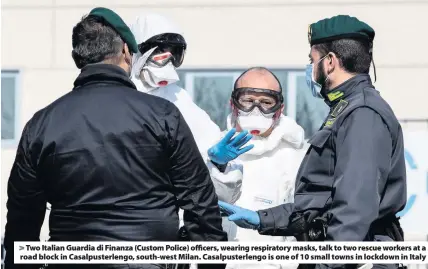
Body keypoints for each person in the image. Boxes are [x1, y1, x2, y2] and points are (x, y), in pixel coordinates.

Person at [4, 7, 227, 269]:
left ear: (79, 57)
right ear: (125, 51)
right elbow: (200, 204)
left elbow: (22, 217)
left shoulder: (42, 124)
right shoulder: (163, 114)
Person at [219, 15, 407, 269]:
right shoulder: (346, 110)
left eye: (312, 59)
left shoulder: (362, 114)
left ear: (329, 62)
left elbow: (353, 213)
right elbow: (321, 202)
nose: (310, 67)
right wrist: (262, 219)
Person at [129, 13, 253, 205]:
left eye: (174, 53)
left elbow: (224, 193)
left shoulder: (178, 98)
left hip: (166, 213)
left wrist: (219, 164)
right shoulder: (120, 94)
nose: (167, 60)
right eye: (161, 50)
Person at [218, 67, 305, 269]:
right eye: (248, 100)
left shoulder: (296, 158)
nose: (256, 109)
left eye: (266, 102)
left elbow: (303, 220)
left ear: (279, 110)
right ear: (233, 103)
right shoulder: (212, 149)